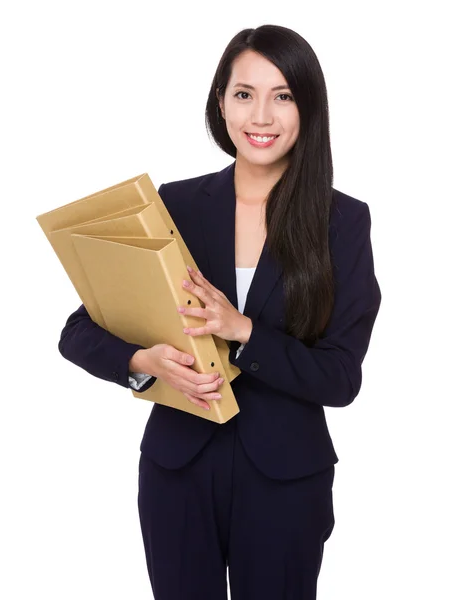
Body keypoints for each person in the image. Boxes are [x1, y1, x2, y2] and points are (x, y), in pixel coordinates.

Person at [58, 24, 382, 600]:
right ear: (220, 103)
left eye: (283, 95)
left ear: (308, 106)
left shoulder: (343, 221)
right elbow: (79, 331)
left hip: (285, 478)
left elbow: (341, 377)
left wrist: (245, 332)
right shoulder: (174, 205)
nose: (261, 115)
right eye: (243, 94)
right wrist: (143, 359)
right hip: (177, 470)